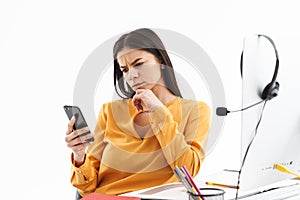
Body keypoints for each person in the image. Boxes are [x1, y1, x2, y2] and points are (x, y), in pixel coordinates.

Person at [65, 28, 211, 199]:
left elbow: (188, 171)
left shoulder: (195, 110)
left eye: (139, 64)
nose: (131, 76)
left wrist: (158, 111)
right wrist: (80, 155)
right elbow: (86, 189)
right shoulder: (110, 111)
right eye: (125, 70)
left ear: (160, 60)